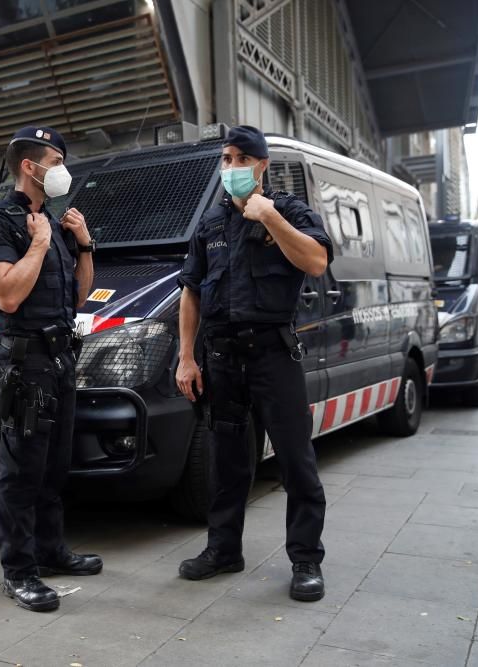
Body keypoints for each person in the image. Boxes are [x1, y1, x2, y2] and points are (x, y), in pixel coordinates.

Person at [174, 126, 333, 602]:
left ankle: (305, 559)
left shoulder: (289, 211)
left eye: (242, 159)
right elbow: (191, 291)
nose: (232, 167)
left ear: (262, 165)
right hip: (222, 358)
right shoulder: (211, 224)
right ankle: (224, 550)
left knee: (295, 459)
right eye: (226, 159)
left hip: (272, 354)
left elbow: (317, 261)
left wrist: (271, 219)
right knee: (226, 461)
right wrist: (186, 357)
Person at [0, 126, 101, 613]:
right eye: (57, 158)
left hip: (61, 356)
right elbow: (5, 294)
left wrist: (81, 244)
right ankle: (19, 571)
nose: (64, 167)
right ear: (30, 166)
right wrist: (40, 245)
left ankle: (51, 550)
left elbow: (78, 296)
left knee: (53, 468)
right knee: (21, 472)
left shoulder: (52, 221)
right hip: (25, 363)